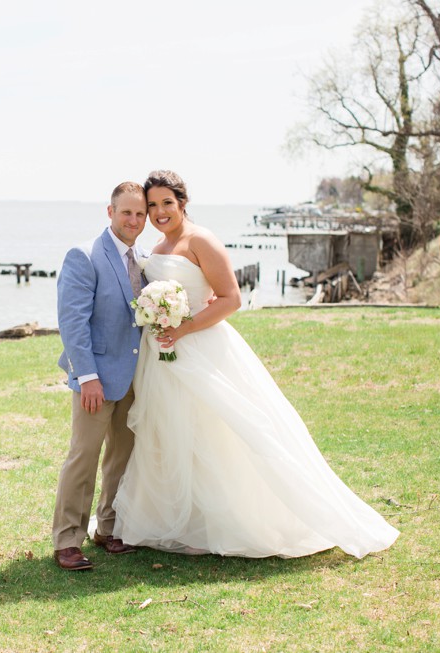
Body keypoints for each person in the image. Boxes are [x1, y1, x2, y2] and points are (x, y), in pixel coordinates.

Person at [113, 170, 399, 559]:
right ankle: (182, 520)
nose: (160, 212)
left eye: (167, 203)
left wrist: (182, 330)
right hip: (162, 358)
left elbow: (231, 299)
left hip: (200, 349)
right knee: (171, 435)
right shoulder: (159, 246)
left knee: (217, 434)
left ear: (182, 202)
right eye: (152, 206)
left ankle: (233, 521)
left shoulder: (202, 240)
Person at [51, 182, 148, 571]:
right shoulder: (85, 255)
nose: (134, 220)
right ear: (110, 212)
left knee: (121, 457)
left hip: (132, 379)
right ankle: (66, 539)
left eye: (140, 214)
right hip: (96, 380)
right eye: (127, 213)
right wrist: (87, 376)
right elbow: (72, 322)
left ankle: (107, 528)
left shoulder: (142, 257)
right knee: (84, 458)